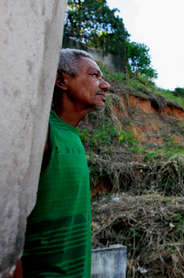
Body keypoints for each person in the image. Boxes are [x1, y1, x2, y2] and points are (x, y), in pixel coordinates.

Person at [14, 49, 110, 277]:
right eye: (94, 75)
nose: (105, 85)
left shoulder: (71, 136)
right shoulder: (42, 133)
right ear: (61, 80)